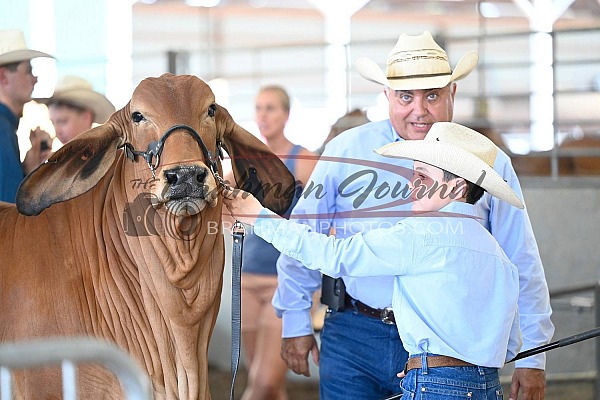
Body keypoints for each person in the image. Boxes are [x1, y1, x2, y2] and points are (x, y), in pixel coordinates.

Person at [272, 31, 554, 400]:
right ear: (387, 96)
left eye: (432, 95)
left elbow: (521, 259)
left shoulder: (488, 162)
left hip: (448, 348)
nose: (419, 110)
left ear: (452, 93)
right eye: (406, 96)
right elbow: (306, 232)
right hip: (354, 332)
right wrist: (294, 320)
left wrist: (534, 357)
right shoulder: (345, 152)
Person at [223, 121, 524, 399]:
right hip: (487, 386)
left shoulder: (420, 234)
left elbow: (334, 255)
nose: (410, 186)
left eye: (422, 176)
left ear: (457, 187)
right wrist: (437, 365)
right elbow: (510, 344)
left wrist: (258, 216)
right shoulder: (497, 253)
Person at [226, 85, 317, 400]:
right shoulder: (244, 162)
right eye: (259, 108)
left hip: (285, 279)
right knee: (268, 384)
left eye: (271, 108)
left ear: (286, 114)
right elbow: (222, 199)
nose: (264, 115)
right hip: (248, 277)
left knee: (262, 384)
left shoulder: (303, 159)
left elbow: (316, 221)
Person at [0, 29, 53, 203]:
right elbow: (10, 211)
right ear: (3, 76)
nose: (35, 79)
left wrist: (28, 169)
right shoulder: (3, 129)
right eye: (28, 71)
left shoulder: (5, 127)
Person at [36, 75, 115, 145]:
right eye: (53, 123)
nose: (57, 132)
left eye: (63, 122)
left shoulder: (106, 157)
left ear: (86, 117)